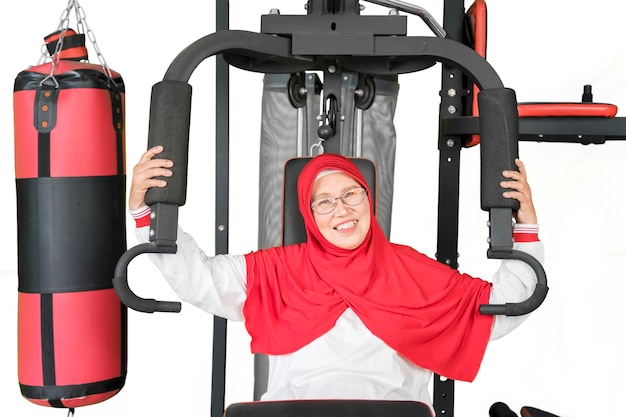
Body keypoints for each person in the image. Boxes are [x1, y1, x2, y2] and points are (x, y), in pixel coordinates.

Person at [129, 146, 543, 415]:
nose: (340, 210)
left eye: (351, 194)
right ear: (308, 215)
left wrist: (524, 225)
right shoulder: (275, 271)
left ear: (368, 199)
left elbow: (505, 305)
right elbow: (197, 276)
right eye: (324, 202)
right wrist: (147, 213)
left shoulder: (413, 271)